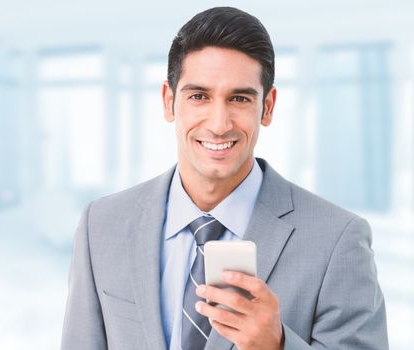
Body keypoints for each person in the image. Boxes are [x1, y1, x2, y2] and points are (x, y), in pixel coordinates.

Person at [60, 6, 388, 350]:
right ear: (169, 101)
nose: (219, 124)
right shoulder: (102, 225)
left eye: (239, 98)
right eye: (199, 96)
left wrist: (276, 345)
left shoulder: (337, 239)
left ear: (268, 107)